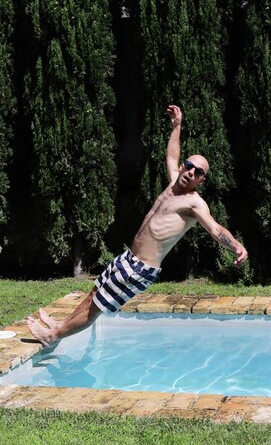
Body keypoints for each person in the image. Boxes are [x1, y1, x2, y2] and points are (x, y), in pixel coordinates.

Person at [26, 104, 248, 347]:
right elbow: (172, 156)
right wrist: (177, 126)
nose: (191, 172)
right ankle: (60, 327)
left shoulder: (195, 204)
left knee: (97, 307)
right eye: (189, 165)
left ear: (201, 180)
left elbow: (215, 229)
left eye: (198, 172)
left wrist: (236, 246)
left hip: (141, 268)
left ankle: (53, 337)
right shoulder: (174, 180)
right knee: (94, 294)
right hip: (128, 258)